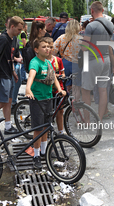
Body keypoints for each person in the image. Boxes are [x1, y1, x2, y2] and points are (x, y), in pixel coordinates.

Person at [25, 37, 66, 169]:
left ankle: (44, 152)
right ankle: (36, 155)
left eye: (48, 47)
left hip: (48, 98)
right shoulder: (35, 62)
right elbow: (31, 75)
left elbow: (53, 76)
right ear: (36, 50)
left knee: (46, 127)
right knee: (38, 129)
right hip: (37, 99)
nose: (47, 49)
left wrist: (59, 89)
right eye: (44, 47)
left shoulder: (48, 62)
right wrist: (27, 88)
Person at [81, 1, 114, 121]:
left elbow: (85, 47)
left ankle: (87, 121)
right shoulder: (110, 24)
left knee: (86, 90)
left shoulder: (91, 26)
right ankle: (99, 118)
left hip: (92, 60)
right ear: (103, 10)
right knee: (103, 90)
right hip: (106, 59)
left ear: (92, 11)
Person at [52, 19, 82, 97]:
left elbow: (53, 51)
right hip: (77, 64)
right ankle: (75, 104)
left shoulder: (62, 38)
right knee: (77, 87)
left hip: (64, 63)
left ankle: (65, 102)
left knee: (65, 85)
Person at [46, 37, 65, 135]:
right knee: (48, 111)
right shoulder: (43, 61)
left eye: (51, 47)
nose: (49, 49)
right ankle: (48, 131)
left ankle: (61, 131)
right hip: (48, 90)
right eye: (47, 47)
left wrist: (59, 76)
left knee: (60, 110)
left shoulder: (58, 60)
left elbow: (63, 73)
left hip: (58, 89)